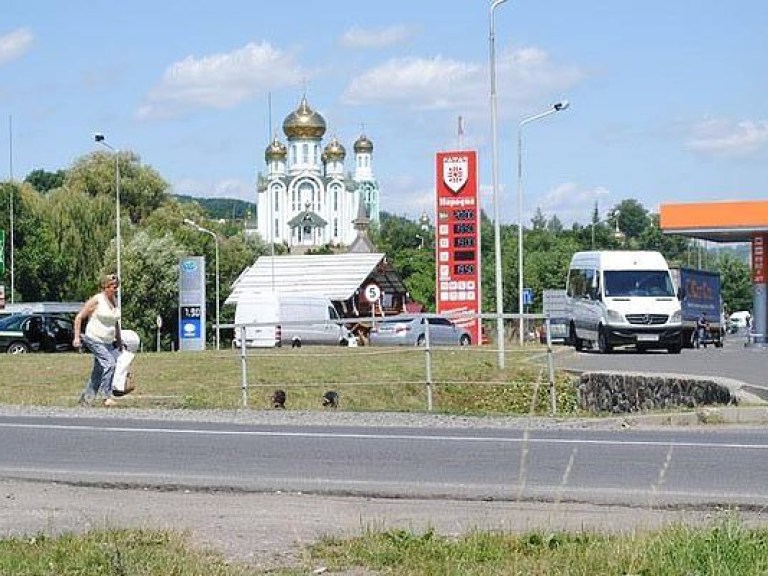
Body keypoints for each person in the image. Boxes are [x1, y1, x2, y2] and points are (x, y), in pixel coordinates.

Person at [73, 273, 122, 406]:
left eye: (116, 286)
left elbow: (115, 322)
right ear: (105, 287)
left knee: (99, 371)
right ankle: (106, 396)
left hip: (108, 341)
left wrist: (119, 339)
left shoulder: (114, 301)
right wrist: (76, 337)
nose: (115, 289)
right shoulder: (97, 300)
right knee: (110, 363)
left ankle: (86, 401)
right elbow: (79, 317)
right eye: (112, 286)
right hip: (94, 338)